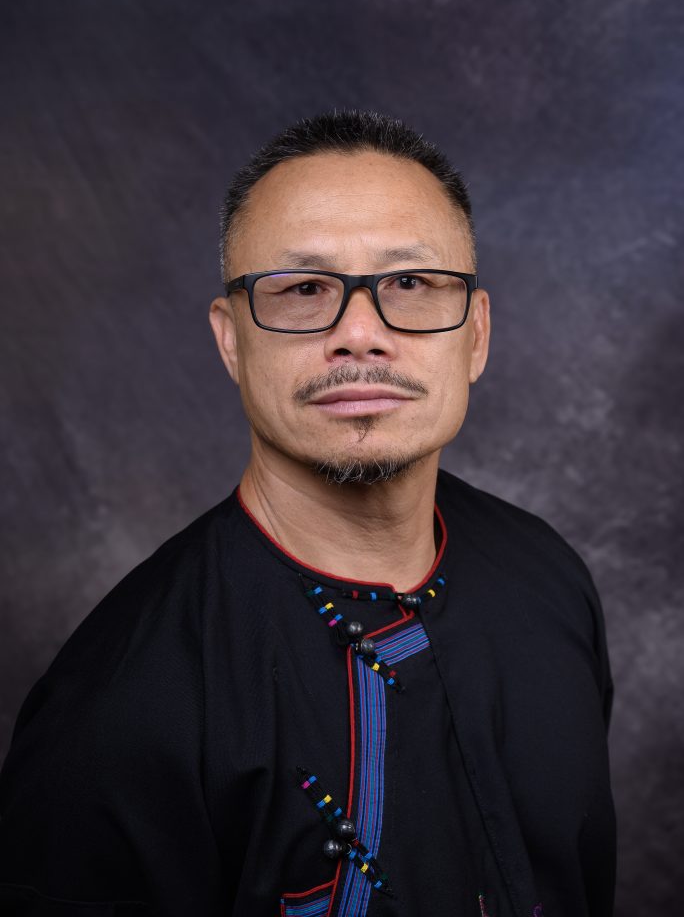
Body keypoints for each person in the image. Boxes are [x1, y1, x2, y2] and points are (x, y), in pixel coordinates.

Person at [0, 110, 616, 917]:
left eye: (410, 284)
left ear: (475, 335)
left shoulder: (548, 579)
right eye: (302, 290)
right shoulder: (119, 710)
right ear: (231, 341)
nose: (360, 334)